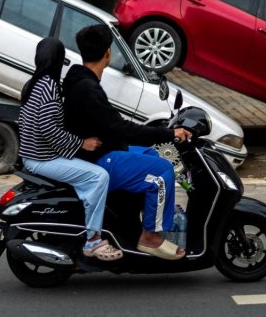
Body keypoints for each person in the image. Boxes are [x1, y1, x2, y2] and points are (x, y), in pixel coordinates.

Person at [63, 24, 191, 261]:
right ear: (108, 53)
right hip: (99, 158)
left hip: (104, 149)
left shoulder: (79, 79)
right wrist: (168, 134)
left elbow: (111, 124)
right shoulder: (87, 88)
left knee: (153, 156)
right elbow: (121, 128)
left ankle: (136, 222)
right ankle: (150, 238)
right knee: (162, 171)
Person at [18, 37, 123, 261]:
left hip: (33, 155)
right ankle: (93, 240)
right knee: (99, 177)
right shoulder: (48, 87)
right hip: (42, 158)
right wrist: (81, 143)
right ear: (59, 60)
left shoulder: (34, 83)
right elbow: (48, 129)